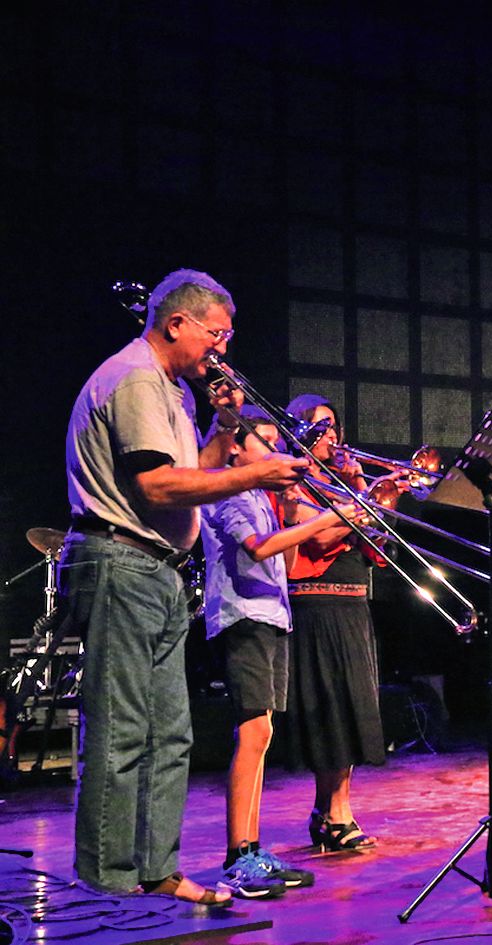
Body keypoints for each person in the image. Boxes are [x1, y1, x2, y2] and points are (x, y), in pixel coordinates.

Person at [61, 269, 307, 903]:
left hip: (159, 569)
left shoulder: (172, 390)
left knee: (171, 734)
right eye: (216, 335)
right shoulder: (137, 378)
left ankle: (156, 870)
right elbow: (158, 486)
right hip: (121, 561)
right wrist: (257, 476)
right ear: (177, 324)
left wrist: (225, 429)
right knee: (121, 730)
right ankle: (110, 885)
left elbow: (191, 471)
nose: (222, 349)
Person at [199, 406, 358, 897]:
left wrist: (291, 515)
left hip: (271, 615)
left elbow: (286, 563)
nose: (277, 451)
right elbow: (258, 548)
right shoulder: (227, 492)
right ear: (235, 449)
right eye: (265, 442)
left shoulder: (260, 497)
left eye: (277, 442)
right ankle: (237, 857)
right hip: (244, 616)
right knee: (251, 735)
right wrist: (326, 518)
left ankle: (251, 849)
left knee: (262, 734)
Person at [281, 394, 394, 852]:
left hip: (352, 605)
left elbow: (379, 546)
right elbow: (320, 538)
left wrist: (363, 488)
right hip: (318, 607)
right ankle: (337, 814)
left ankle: (328, 810)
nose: (330, 435)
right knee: (331, 714)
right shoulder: (296, 482)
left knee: (350, 711)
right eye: (319, 426)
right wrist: (364, 504)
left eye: (333, 426)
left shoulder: (340, 485)